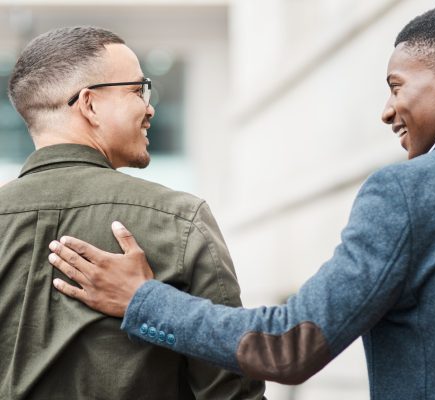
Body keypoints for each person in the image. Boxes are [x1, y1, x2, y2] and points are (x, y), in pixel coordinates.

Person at [49, 5, 435, 399]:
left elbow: (290, 344)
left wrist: (142, 300)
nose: (386, 110)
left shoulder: (408, 192)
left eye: (396, 86)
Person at [0, 26, 265, 399]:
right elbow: (231, 393)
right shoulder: (180, 220)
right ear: (90, 104)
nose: (150, 106)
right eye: (138, 89)